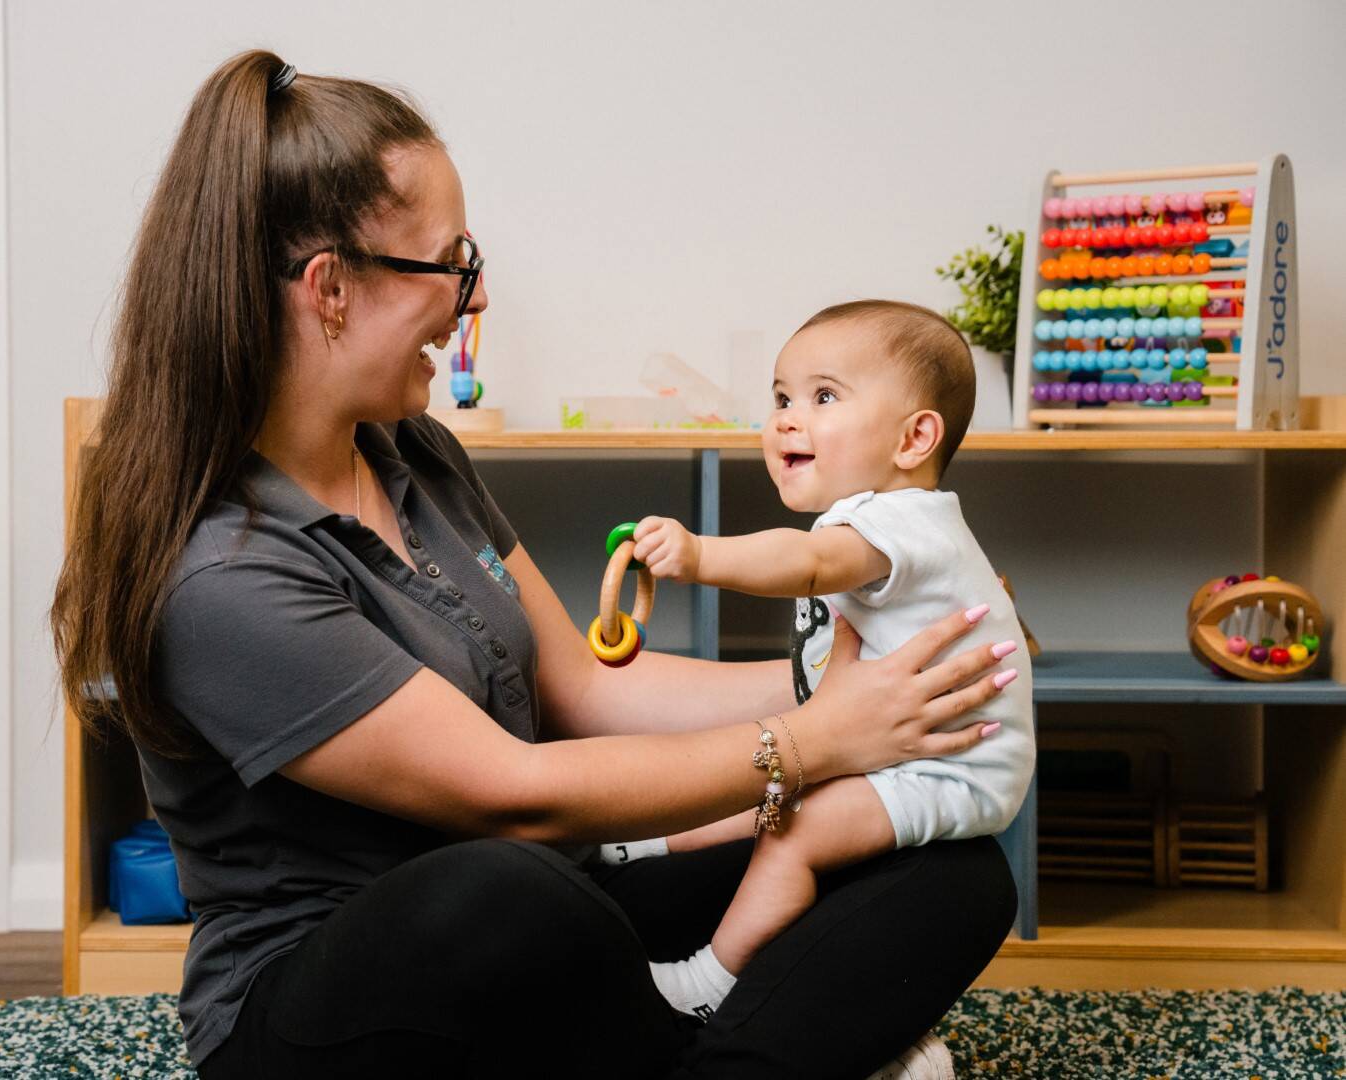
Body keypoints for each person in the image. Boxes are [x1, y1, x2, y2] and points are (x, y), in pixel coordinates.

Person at [51, 51, 1019, 1080]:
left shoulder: (414, 450)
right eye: (450, 264)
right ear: (331, 289)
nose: (470, 303)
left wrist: (867, 680)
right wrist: (817, 737)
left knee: (940, 867)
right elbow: (516, 793)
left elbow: (583, 685)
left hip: (551, 910)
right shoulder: (222, 572)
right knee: (505, 888)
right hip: (341, 996)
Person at [609, 301, 1035, 1022]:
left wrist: (699, 553)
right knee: (771, 789)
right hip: (899, 747)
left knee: (791, 828)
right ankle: (637, 844)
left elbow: (804, 561)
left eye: (823, 396)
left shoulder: (895, 522)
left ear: (915, 438)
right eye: (780, 397)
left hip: (950, 770)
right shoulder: (889, 519)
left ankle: (710, 982)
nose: (785, 418)